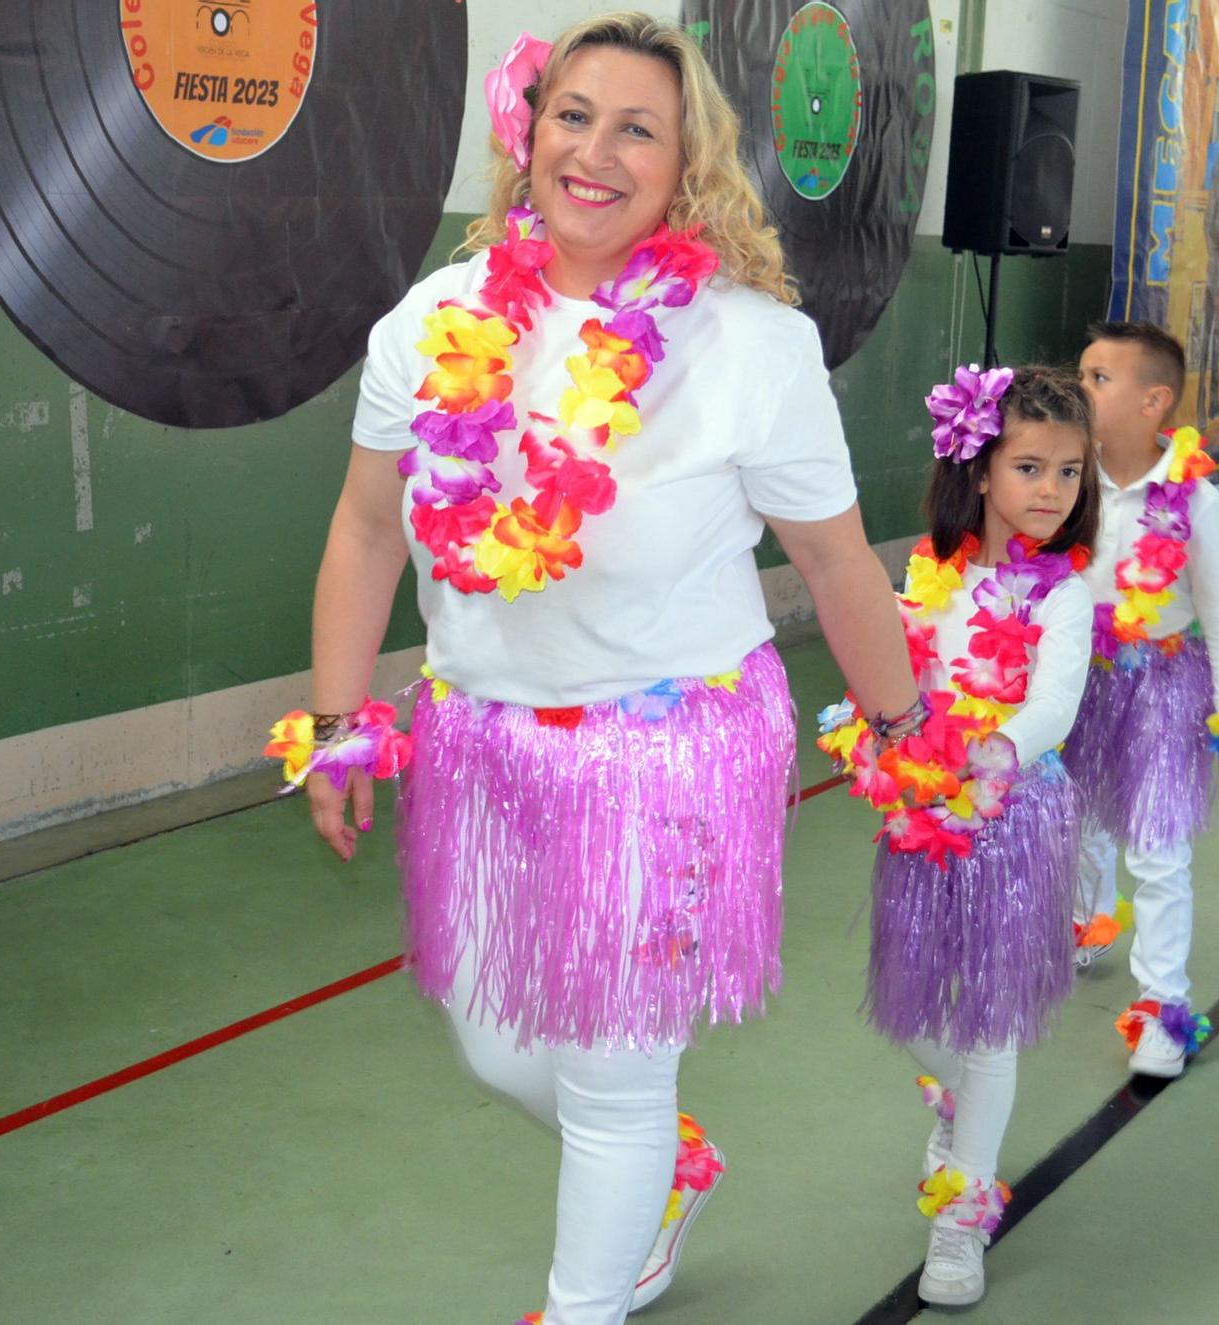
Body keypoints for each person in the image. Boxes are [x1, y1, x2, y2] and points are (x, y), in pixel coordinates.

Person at [273, 17, 920, 1324]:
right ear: (529, 130)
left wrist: (907, 729)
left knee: (617, 1075)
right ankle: (665, 1180)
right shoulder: (436, 324)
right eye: (575, 114)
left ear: (688, 164)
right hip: (483, 747)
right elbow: (364, 524)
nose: (596, 149)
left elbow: (841, 565)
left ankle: (589, 1296)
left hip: (668, 752)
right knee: (502, 1045)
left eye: (638, 127)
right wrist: (339, 717)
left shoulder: (751, 346)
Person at [818, 366, 1098, 1308]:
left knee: (990, 1025)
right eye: (1029, 467)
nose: (1050, 491)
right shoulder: (928, 577)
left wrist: (996, 746)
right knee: (922, 1014)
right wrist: (881, 733)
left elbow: (1055, 702)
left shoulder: (1063, 594)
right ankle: (959, 1101)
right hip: (923, 815)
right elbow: (892, 665)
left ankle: (962, 1214)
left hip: (1012, 818)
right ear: (979, 471)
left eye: (1068, 472)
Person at [1063, 322, 1219, 1079]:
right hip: (1072, 679)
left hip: (1161, 687)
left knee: (1157, 849)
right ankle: (1089, 921)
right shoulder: (1062, 476)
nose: (1081, 388)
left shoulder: (1194, 500)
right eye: (1081, 373)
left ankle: (1161, 1007)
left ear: (1154, 402)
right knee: (1075, 819)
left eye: (1098, 378)